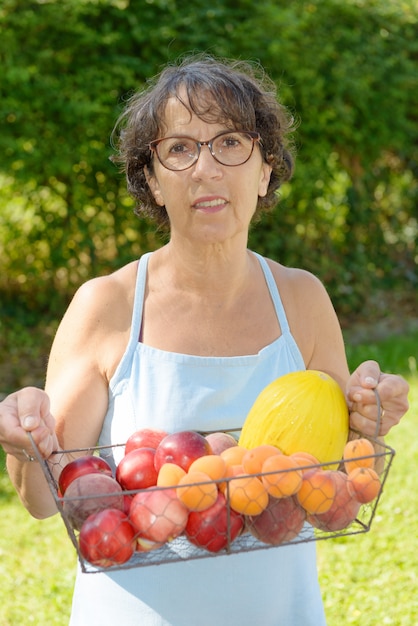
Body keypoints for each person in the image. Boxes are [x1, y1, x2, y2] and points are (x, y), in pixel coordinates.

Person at [0, 54, 409, 625]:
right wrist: (25, 443)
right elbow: (46, 501)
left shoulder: (302, 300)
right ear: (152, 180)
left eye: (230, 144)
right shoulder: (108, 307)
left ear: (265, 169)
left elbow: (333, 497)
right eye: (179, 148)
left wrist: (366, 419)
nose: (206, 169)